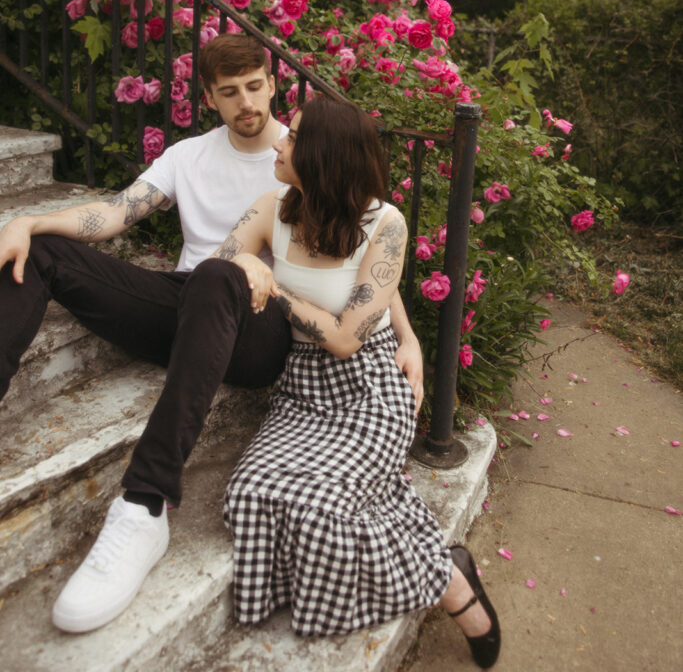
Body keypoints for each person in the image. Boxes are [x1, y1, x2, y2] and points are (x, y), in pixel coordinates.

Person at [0, 32, 425, 635]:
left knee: (219, 277)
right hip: (193, 298)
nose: (248, 102)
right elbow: (118, 212)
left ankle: (144, 503)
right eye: (230, 92)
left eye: (256, 86)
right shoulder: (189, 158)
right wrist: (30, 218)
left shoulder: (308, 153)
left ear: (274, 83)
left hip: (259, 323)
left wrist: (406, 337)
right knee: (44, 252)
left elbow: (358, 266)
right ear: (210, 97)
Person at [216, 97, 501, 669]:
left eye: (291, 137)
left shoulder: (385, 222)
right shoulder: (272, 206)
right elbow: (222, 273)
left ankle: (448, 582)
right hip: (300, 391)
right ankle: (446, 564)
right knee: (249, 495)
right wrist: (244, 264)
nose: (277, 142)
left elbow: (347, 337)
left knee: (324, 508)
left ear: (322, 155)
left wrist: (271, 281)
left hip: (368, 388)